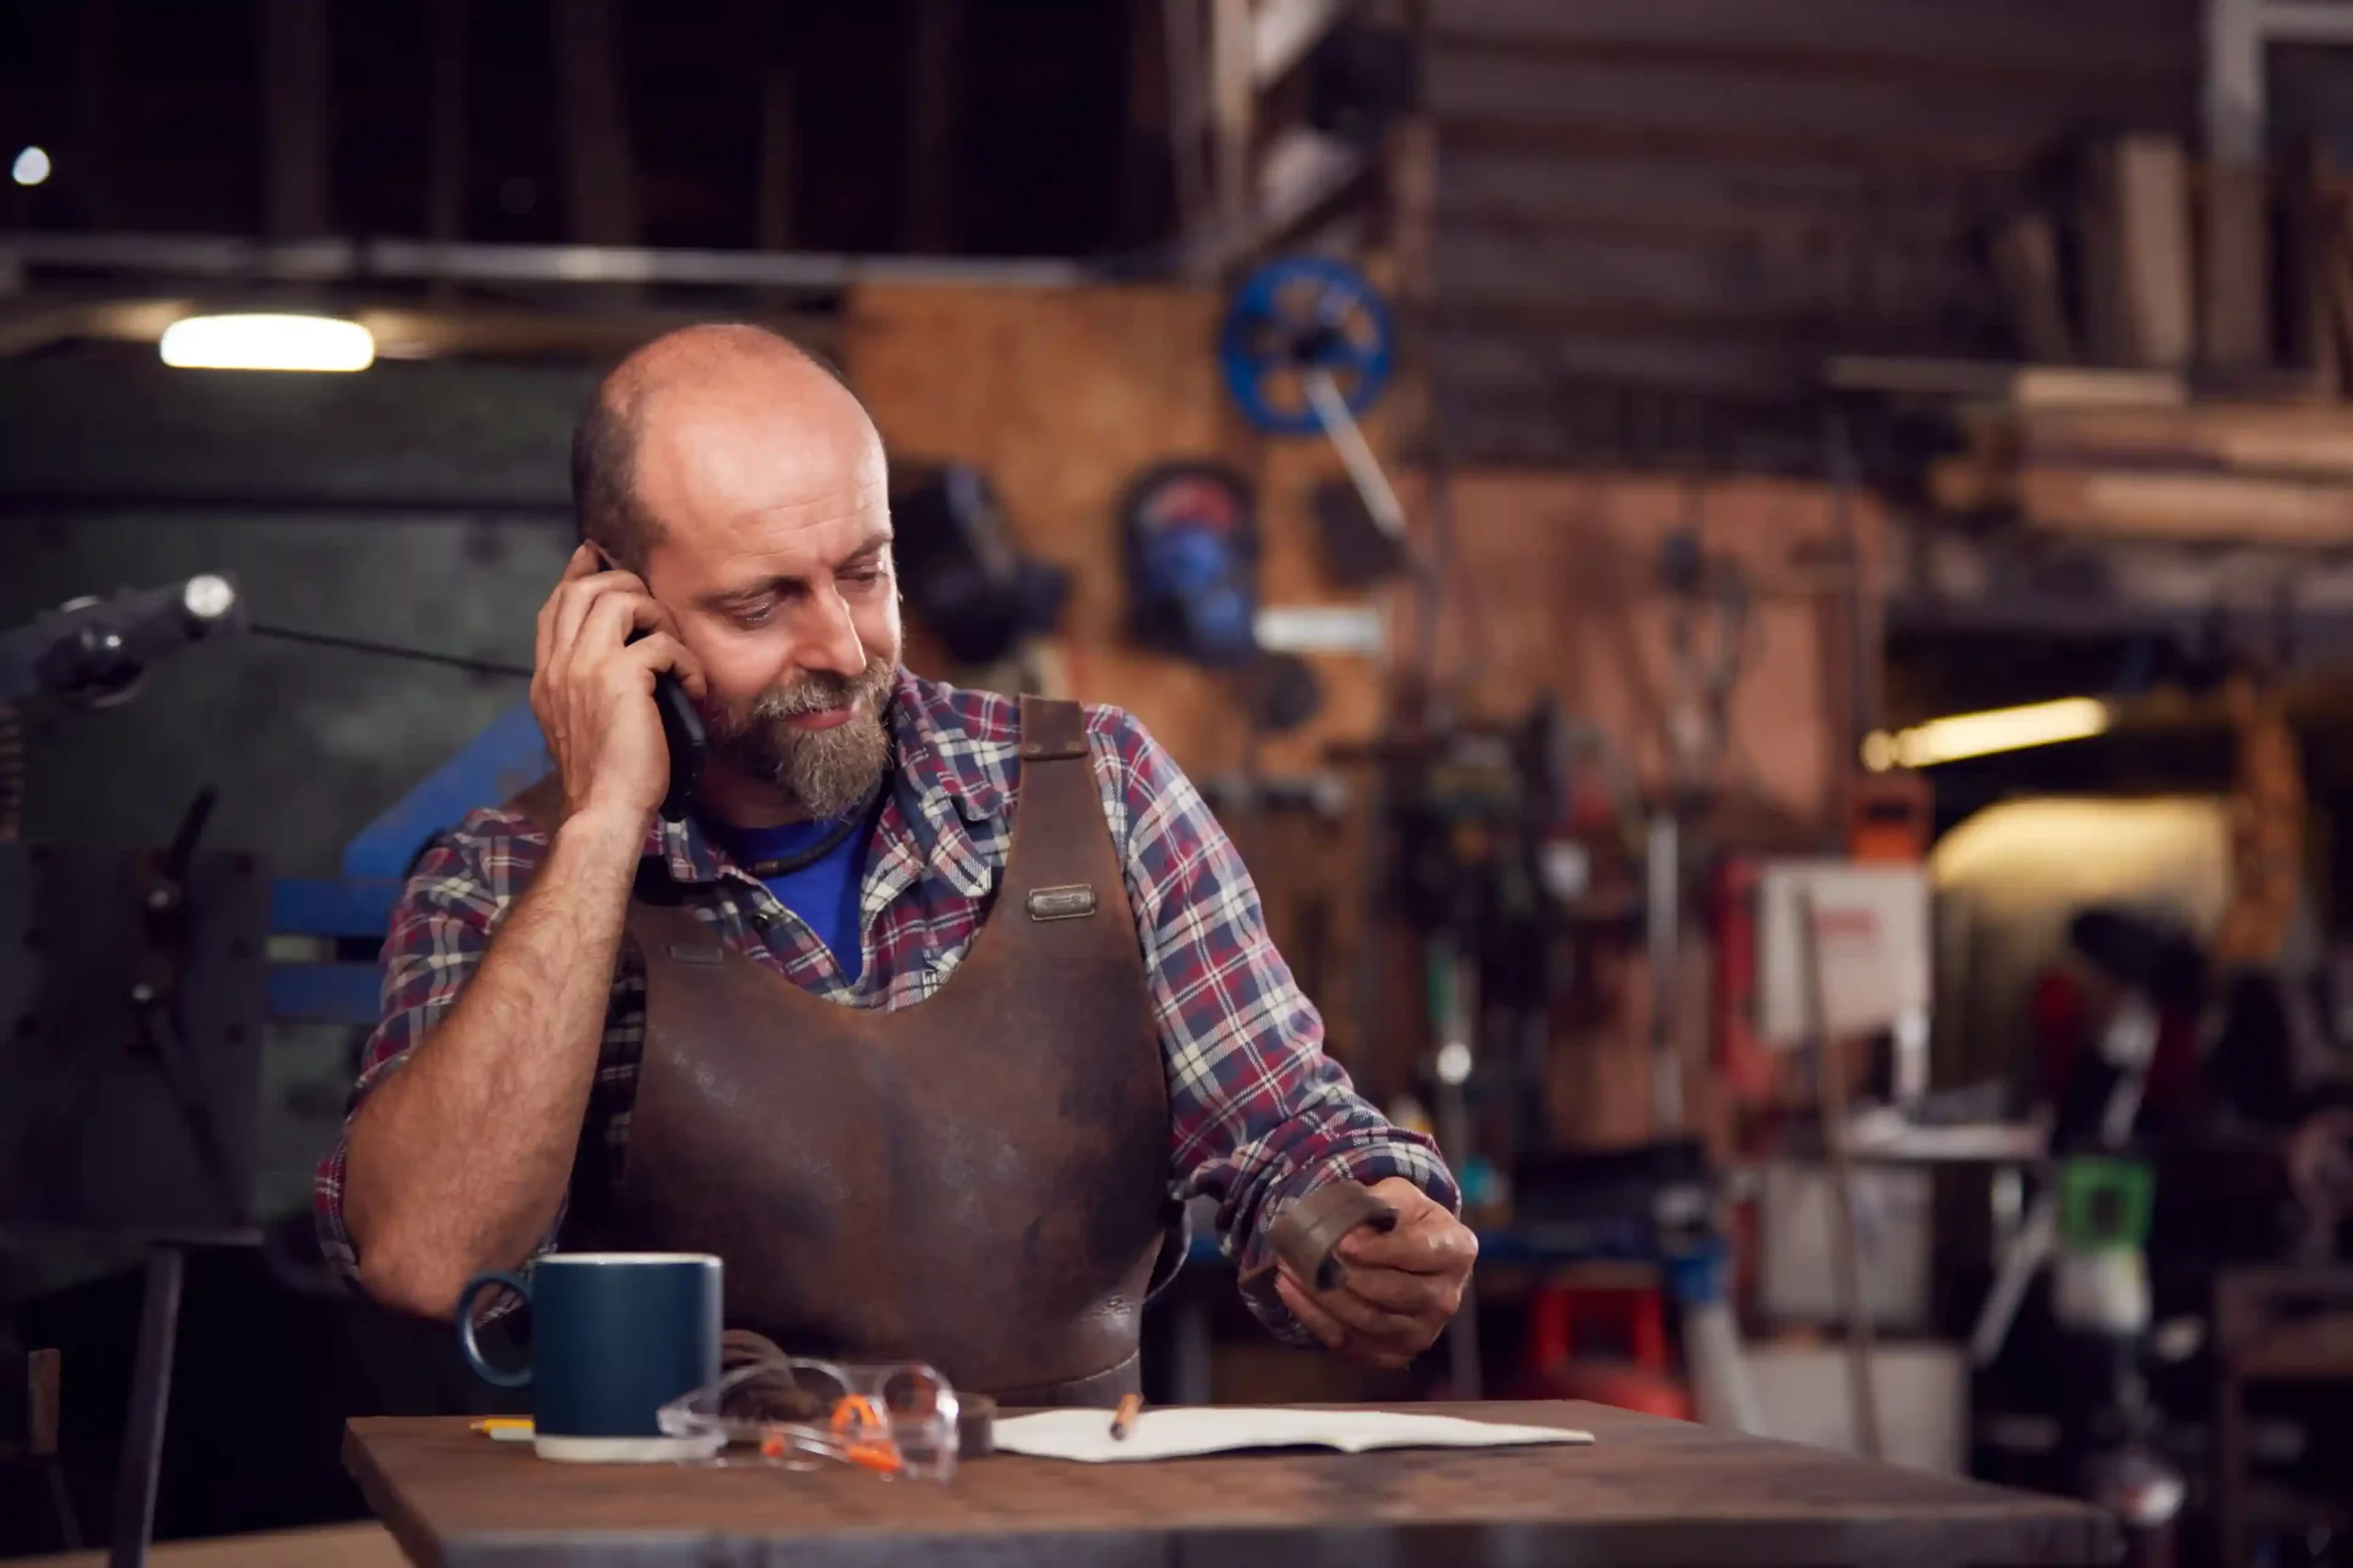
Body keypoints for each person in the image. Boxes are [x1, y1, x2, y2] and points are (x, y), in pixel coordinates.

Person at [314, 324, 1474, 1403]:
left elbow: (1285, 1126)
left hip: (1061, 1518)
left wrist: (1369, 1223)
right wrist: (606, 823)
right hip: (686, 1529)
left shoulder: (1099, 791)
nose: (841, 645)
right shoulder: (502, 875)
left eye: (862, 572)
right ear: (614, 609)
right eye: (761, 601)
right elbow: (431, 1257)